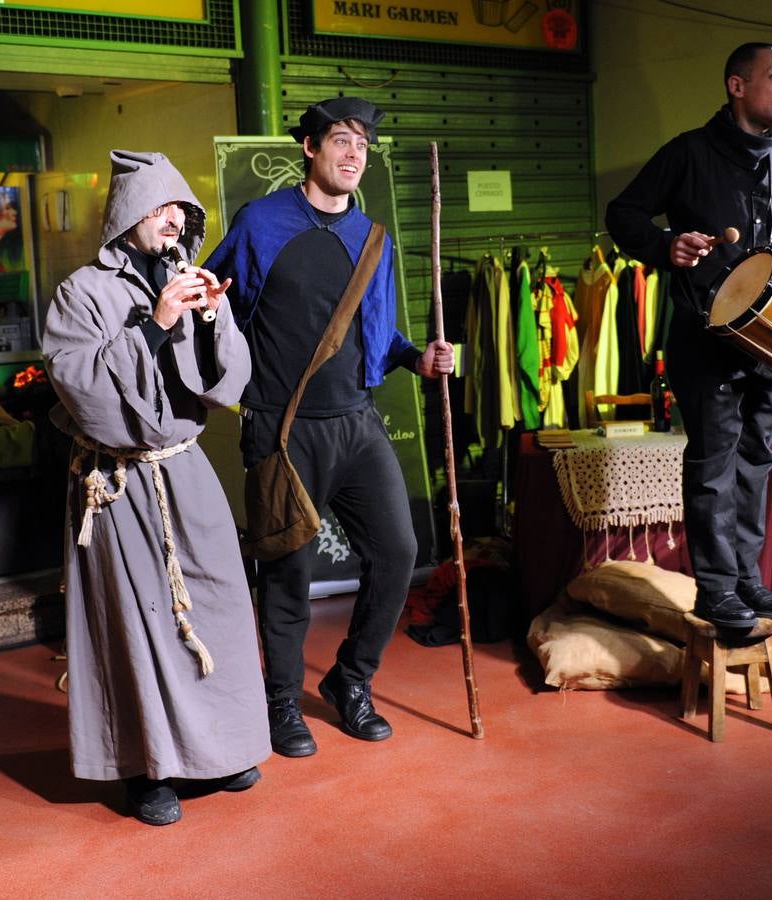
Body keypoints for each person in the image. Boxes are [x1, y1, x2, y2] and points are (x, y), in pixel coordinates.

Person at [203, 97, 455, 758]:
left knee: (398, 552)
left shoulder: (372, 236)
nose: (354, 155)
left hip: (356, 423)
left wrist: (415, 358)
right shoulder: (261, 224)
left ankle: (350, 681)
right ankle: (282, 700)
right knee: (289, 572)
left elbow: (375, 329)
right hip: (283, 431)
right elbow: (212, 302)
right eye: (342, 141)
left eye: (363, 146)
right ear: (309, 148)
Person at [42, 150, 270, 825]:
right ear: (125, 217)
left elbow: (222, 382)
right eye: (160, 207)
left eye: (183, 210)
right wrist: (157, 324)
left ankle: (219, 749)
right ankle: (146, 771)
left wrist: (209, 321)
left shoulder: (183, 276)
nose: (175, 219)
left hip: (184, 467)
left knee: (218, 606)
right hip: (116, 483)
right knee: (138, 619)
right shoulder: (80, 293)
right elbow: (81, 388)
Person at [605, 43, 772, 629]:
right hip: (705, 338)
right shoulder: (688, 153)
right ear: (737, 85)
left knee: (757, 459)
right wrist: (666, 245)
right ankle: (715, 591)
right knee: (713, 463)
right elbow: (624, 214)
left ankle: (746, 581)